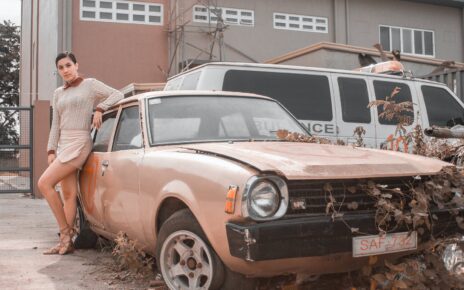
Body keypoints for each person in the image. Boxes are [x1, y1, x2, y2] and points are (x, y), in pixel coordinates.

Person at [38, 52, 123, 255]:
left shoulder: (90, 84)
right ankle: (66, 243)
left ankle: (64, 233)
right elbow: (55, 124)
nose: (65, 70)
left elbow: (118, 94)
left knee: (44, 183)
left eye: (68, 65)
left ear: (76, 65)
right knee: (68, 195)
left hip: (79, 142)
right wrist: (51, 149)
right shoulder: (58, 92)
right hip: (63, 144)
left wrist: (100, 108)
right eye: (61, 67)